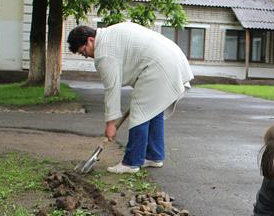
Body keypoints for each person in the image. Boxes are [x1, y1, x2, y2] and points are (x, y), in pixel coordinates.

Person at [67, 22, 193, 173]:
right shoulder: (108, 34)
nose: (86, 55)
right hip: (172, 58)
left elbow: (112, 89)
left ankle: (131, 163)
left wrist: (111, 124)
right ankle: (154, 156)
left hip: (159, 65)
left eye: (83, 51)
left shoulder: (103, 53)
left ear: (90, 40)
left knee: (140, 112)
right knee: (153, 109)